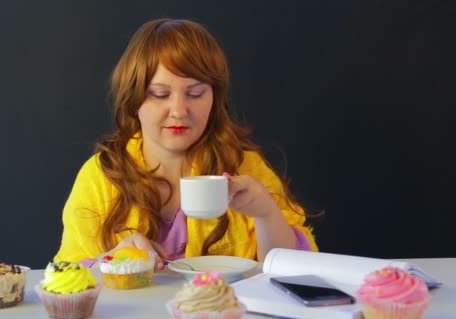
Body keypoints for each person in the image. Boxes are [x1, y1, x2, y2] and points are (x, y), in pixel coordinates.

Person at [54, 18, 318, 271]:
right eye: (160, 94)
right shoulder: (101, 176)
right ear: (133, 98)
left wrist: (267, 214)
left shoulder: (243, 166)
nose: (179, 111)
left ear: (214, 97)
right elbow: (68, 275)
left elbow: (294, 271)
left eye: (195, 93)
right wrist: (113, 260)